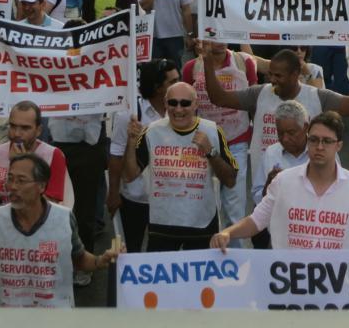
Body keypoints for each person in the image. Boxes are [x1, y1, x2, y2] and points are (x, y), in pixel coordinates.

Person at [210, 111, 349, 252]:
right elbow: (257, 220)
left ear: (339, 146)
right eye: (313, 140)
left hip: (337, 287)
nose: (319, 147)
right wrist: (228, 233)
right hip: (289, 284)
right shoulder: (283, 181)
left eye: (327, 141)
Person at [200, 44, 349, 189]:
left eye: (278, 75)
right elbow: (219, 98)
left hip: (309, 186)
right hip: (266, 186)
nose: (272, 80)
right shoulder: (259, 94)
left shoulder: (318, 97)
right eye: (270, 74)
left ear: (295, 74)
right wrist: (207, 63)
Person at [0, 153, 122, 307]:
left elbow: (77, 257)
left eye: (21, 180)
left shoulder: (62, 218)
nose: (12, 187)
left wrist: (100, 261)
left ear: (41, 186)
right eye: (10, 179)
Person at [123, 81, 237, 251]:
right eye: (172, 103)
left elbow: (230, 180)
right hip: (162, 223)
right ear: (165, 104)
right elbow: (130, 175)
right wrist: (131, 142)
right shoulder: (151, 131)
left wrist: (210, 152)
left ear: (196, 104)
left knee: (200, 278)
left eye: (185, 103)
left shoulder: (212, 131)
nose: (178, 109)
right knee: (161, 278)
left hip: (202, 224)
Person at [184, 41, 257, 245]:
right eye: (213, 35)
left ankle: (236, 265)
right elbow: (187, 110)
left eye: (223, 34)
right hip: (202, 145)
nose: (219, 40)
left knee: (235, 211)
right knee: (204, 208)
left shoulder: (244, 63)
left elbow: (254, 101)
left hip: (237, 142)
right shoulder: (191, 67)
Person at [107, 59, 174, 253]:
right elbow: (116, 153)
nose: (178, 85)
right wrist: (113, 194)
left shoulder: (180, 111)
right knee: (131, 252)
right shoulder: (129, 113)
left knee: (162, 253)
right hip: (135, 198)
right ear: (157, 87)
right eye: (172, 82)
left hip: (168, 199)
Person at [0, 101, 71, 212]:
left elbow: (49, 208)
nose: (17, 133)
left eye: (25, 128)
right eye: (13, 126)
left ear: (38, 130)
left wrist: (22, 163)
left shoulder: (53, 155)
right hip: (1, 227)